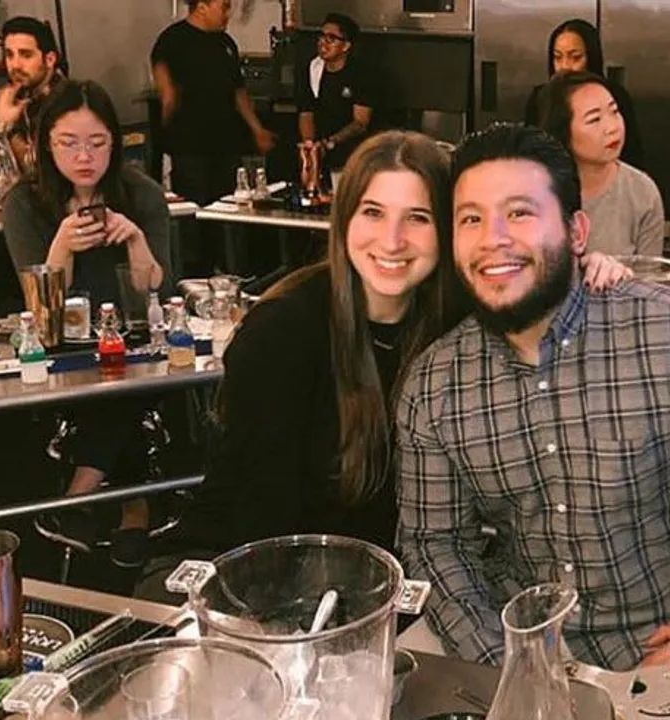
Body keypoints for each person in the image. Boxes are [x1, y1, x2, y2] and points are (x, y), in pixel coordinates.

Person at [396, 123, 670, 672]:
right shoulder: (436, 385)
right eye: (470, 219)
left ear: (577, 232)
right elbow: (435, 542)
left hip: (669, 652)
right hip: (522, 650)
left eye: (521, 213)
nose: (492, 239)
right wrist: (506, 662)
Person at [135, 130, 628, 597]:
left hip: (376, 582)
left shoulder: (457, 322)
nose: (392, 241)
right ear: (344, 219)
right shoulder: (285, 329)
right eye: (372, 212)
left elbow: (535, 288)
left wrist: (584, 272)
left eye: (418, 217)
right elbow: (260, 512)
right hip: (246, 570)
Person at [1, 79, 172, 567]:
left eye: (97, 143)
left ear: (115, 144)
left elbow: (159, 291)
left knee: (128, 374)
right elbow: (42, 314)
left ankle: (79, 495)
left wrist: (136, 240)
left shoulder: (141, 193)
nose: (84, 157)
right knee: (112, 385)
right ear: (44, 145)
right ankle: (133, 503)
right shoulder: (25, 203)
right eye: (68, 143)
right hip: (64, 345)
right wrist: (61, 247)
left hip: (137, 340)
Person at [151, 0, 275, 207]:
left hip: (226, 143)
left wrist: (257, 129)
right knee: (194, 207)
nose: (228, 14)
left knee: (227, 206)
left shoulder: (225, 43)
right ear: (202, 7)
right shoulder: (172, 40)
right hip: (190, 146)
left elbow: (238, 92)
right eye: (224, 7)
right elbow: (166, 92)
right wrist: (167, 135)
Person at [537, 71, 663, 257]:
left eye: (615, 111)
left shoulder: (641, 191)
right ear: (564, 132)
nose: (613, 127)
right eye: (594, 119)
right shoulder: (535, 191)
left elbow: (651, 278)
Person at [524, 19, 643, 169]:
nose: (565, 66)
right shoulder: (540, 98)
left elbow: (631, 154)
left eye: (575, 57)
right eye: (558, 57)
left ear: (591, 58)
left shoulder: (613, 95)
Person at [296, 13, 374, 174]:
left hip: (353, 153)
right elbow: (306, 112)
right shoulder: (312, 70)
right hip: (320, 150)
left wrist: (330, 143)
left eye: (331, 38)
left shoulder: (362, 74)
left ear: (346, 46)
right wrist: (309, 145)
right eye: (321, 36)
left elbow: (360, 123)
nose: (323, 43)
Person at [0, 16, 65, 173]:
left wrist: (7, 129)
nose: (15, 65)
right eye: (10, 55)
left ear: (50, 59)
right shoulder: (17, 95)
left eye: (26, 55)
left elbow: (40, 174)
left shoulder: (66, 101)